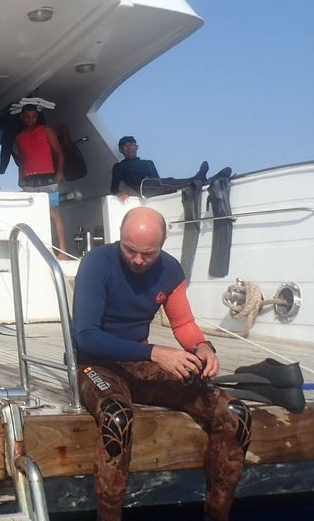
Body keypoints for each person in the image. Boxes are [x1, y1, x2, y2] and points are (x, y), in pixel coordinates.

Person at [72, 207, 250, 521]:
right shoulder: (96, 263)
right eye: (130, 250)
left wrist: (202, 347)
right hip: (97, 365)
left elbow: (183, 324)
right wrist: (155, 353)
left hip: (140, 361)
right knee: (117, 418)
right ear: (120, 238)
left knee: (235, 412)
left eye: (148, 254)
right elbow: (86, 336)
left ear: (162, 245)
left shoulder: (170, 269)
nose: (138, 260)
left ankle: (217, 512)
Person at [13, 104, 69, 258]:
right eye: (28, 117)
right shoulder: (19, 137)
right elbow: (22, 160)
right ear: (22, 117)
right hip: (29, 181)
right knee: (31, 214)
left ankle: (62, 250)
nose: (31, 120)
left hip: (48, 179)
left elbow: (59, 153)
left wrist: (60, 172)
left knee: (54, 213)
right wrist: (20, 177)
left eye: (34, 117)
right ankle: (34, 250)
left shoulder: (46, 131)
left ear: (37, 117)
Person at [109, 135, 160, 201]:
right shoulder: (119, 166)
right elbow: (114, 189)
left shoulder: (148, 163)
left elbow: (158, 182)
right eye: (125, 146)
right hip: (142, 190)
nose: (129, 148)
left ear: (136, 147)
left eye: (131, 145)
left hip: (154, 188)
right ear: (121, 150)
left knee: (170, 181)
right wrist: (119, 193)